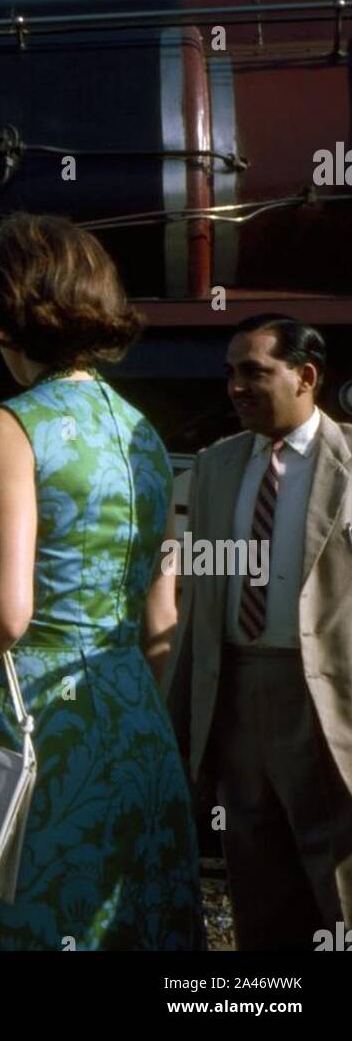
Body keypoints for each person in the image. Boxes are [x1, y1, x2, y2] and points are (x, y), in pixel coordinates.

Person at [0, 211, 202, 951]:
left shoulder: (8, 424)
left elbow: (4, 612)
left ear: (1, 318)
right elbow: (160, 621)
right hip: (134, 725)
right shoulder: (141, 433)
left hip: (43, 730)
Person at [163, 314, 352, 950]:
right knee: (259, 884)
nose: (237, 386)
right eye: (231, 373)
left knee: (340, 886)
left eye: (255, 371)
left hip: (329, 705)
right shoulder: (216, 468)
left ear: (306, 377)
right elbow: (201, 606)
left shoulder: (350, 462)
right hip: (237, 695)